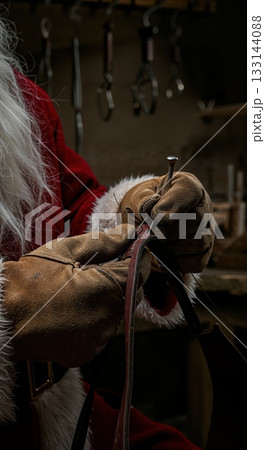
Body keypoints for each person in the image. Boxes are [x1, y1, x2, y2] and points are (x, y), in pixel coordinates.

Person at [0, 15, 214, 450]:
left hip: (57, 411)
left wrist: (137, 211)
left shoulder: (22, 101)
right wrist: (12, 316)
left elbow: (78, 205)